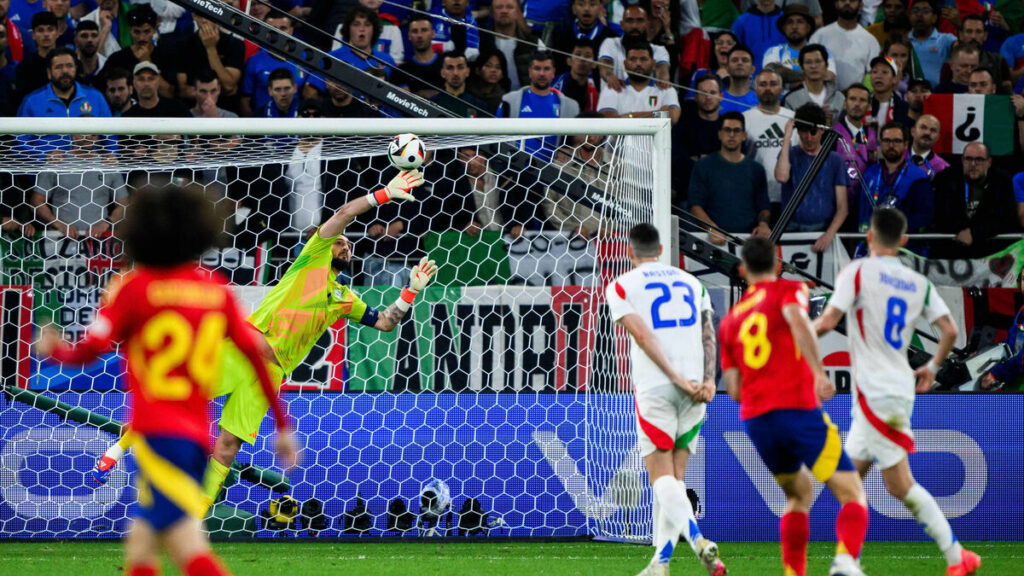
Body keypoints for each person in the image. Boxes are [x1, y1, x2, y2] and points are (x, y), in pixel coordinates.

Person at [92, 170, 439, 515]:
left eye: (348, 244)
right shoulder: (311, 260)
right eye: (340, 241)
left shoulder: (345, 297)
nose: (345, 243)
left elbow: (384, 322)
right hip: (242, 352)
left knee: (227, 447)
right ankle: (115, 453)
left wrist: (411, 290)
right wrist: (385, 193)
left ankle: (195, 514)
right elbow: (344, 214)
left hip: (269, 373)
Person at [36, 183, 298, 576]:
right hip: (195, 434)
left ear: (138, 233)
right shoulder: (214, 290)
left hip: (157, 433)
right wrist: (281, 425)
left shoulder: (134, 289)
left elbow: (89, 351)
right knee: (148, 541)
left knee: (175, 542)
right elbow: (259, 357)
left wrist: (54, 348)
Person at [813, 207, 981, 576]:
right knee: (848, 480)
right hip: (890, 390)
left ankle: (956, 558)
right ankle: (847, 560)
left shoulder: (856, 272)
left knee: (896, 484)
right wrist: (932, 366)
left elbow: (827, 321)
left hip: (877, 395)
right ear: (904, 242)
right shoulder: (915, 281)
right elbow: (950, 330)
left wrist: (797, 339)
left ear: (868, 237)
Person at [719, 235, 869, 576]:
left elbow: (733, 390)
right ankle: (845, 563)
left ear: (742, 270)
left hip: (758, 420)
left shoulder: (730, 322)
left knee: (798, 495)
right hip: (798, 410)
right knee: (852, 493)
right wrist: (817, 373)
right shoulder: (790, 291)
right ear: (777, 265)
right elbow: (798, 321)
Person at [605, 223, 725, 576]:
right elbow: (708, 333)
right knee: (676, 478)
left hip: (658, 387)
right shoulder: (693, 283)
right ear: (661, 249)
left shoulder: (622, 285)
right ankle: (660, 564)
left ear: (630, 251)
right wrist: (707, 380)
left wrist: (673, 378)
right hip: (697, 388)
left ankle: (699, 540)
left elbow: (641, 335)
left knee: (660, 478)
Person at [775, 104, 849, 251]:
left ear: (822, 130)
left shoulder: (835, 160)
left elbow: (843, 208)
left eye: (813, 132)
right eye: (803, 131)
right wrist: (787, 138)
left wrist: (829, 235)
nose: (808, 137)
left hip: (822, 228)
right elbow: (782, 177)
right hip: (790, 227)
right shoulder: (790, 153)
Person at [689, 111, 771, 243]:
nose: (732, 135)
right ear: (719, 134)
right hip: (713, 242)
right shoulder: (703, 166)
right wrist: (712, 229)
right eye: (727, 130)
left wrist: (763, 225)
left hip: (749, 242)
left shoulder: (756, 169)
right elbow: (695, 206)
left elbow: (764, 207)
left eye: (737, 130)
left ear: (744, 135)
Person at [932, 141, 1020, 257]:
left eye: (979, 160)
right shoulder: (947, 178)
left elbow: (1007, 218)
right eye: (968, 159)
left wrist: (974, 233)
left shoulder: (1002, 180)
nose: (973, 164)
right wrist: (962, 231)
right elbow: (940, 215)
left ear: (989, 162)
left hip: (991, 252)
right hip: (953, 250)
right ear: (962, 160)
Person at [31, 132, 126, 239]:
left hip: (98, 242)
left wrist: (105, 224)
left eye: (93, 134)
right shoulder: (57, 162)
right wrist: (59, 225)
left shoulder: (108, 165)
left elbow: (124, 204)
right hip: (60, 240)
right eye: (84, 133)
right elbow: (36, 202)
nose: (89, 136)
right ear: (73, 135)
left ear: (97, 137)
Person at [498, 50, 580, 161]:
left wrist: (567, 148)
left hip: (552, 174)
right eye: (537, 68)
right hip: (515, 170)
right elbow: (496, 137)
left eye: (546, 69)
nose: (542, 73)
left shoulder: (570, 107)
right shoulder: (510, 101)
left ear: (553, 72)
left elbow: (576, 142)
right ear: (529, 72)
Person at [859, 122, 932, 235]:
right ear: (880, 143)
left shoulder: (918, 177)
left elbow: (924, 217)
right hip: (870, 243)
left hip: (903, 244)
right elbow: (860, 211)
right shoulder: (869, 173)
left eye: (897, 141)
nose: (891, 145)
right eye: (887, 140)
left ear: (906, 144)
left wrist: (893, 229)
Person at [743, 68, 796, 212]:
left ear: (781, 89)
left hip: (790, 195)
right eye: (763, 84)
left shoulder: (794, 118)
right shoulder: (744, 119)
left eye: (773, 84)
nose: (768, 88)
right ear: (754, 89)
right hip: (756, 196)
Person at [597, 39, 679, 124]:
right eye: (633, 59)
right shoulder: (612, 89)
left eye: (643, 59)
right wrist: (657, 114)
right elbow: (607, 121)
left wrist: (628, 116)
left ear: (653, 64)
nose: (638, 63)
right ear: (625, 64)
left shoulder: (666, 89)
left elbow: (672, 117)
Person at [809, 0, 880, 95]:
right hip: (822, 97)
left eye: (852, 0)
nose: (847, 3)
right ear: (836, 4)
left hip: (856, 101)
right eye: (843, 0)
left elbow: (872, 75)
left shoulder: (870, 41)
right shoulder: (819, 35)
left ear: (861, 6)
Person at [597, 5, 669, 92]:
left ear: (647, 24)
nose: (634, 26)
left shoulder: (659, 50)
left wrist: (663, 78)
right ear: (622, 25)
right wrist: (609, 76)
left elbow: (662, 69)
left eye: (640, 20)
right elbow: (605, 64)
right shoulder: (610, 43)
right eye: (629, 21)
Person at [762, 4, 835, 88]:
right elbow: (771, 74)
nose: (794, 26)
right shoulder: (773, 51)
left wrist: (787, 83)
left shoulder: (822, 52)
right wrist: (813, 76)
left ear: (808, 27)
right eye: (790, 22)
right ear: (784, 28)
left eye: (800, 22)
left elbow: (829, 77)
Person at [478, 0, 544, 92]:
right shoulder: (480, 41)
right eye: (499, 7)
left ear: (518, 12)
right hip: (487, 99)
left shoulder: (534, 43)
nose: (504, 11)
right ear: (491, 13)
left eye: (509, 7)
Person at [781, 44, 844, 121]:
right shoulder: (790, 99)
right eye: (808, 62)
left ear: (826, 65)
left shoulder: (839, 97)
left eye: (818, 61)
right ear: (801, 67)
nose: (813, 66)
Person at [908, 0, 956, 89]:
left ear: (934, 18)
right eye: (915, 11)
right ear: (909, 16)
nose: (919, 14)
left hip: (938, 95)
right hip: (910, 95)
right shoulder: (904, 42)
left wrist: (958, 25)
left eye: (925, 11)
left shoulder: (946, 39)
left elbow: (964, 50)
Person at [393, 14, 443, 97]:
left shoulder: (447, 65)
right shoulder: (401, 71)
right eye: (415, 31)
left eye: (424, 30)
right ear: (409, 36)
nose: (419, 35)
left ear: (433, 33)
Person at [13, 10, 58, 100]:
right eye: (40, 30)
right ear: (33, 35)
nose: (46, 34)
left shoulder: (69, 63)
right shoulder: (24, 68)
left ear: (57, 33)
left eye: (50, 29)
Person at [430, 50, 488, 117]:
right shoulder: (431, 104)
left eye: (460, 67)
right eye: (450, 68)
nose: (455, 73)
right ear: (442, 73)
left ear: (467, 71)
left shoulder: (479, 107)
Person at [122, 61, 190, 117]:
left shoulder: (177, 108)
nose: (146, 84)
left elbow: (195, 132)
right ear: (134, 83)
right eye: (141, 79)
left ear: (158, 82)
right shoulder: (128, 117)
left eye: (151, 79)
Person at [730, 0, 783, 69]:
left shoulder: (786, 21)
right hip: (750, 75)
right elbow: (732, 51)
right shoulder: (741, 22)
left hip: (781, 75)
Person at [552, 38, 598, 113]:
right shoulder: (556, 87)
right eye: (578, 54)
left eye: (587, 56)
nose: (582, 59)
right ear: (569, 61)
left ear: (594, 64)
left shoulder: (594, 91)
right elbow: (553, 114)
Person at [868, 56, 910, 127]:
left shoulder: (904, 108)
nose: (878, 76)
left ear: (894, 79)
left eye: (884, 72)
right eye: (874, 72)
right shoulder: (863, 103)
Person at [906, 114, 948, 180]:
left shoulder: (942, 167)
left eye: (933, 130)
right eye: (923, 127)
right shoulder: (897, 155)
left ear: (938, 137)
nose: (927, 133)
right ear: (913, 131)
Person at [719, 44, 757, 113]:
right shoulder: (717, 100)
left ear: (752, 69)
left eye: (745, 60)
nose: (739, 63)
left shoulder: (760, 101)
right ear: (727, 68)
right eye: (734, 60)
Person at [73, 20, 104, 86]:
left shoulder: (107, 65)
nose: (89, 40)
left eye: (94, 35)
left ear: (99, 39)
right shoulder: (70, 65)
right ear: (76, 41)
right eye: (84, 36)